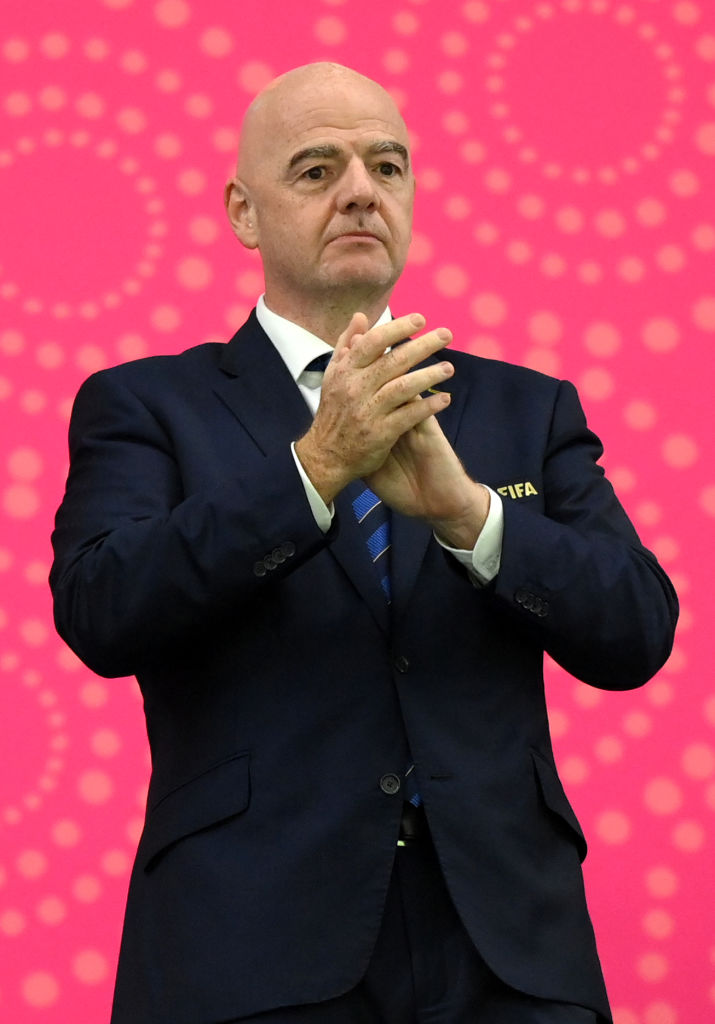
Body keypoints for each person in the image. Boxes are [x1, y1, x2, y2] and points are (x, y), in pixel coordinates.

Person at [50, 63, 678, 1024]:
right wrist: (313, 470)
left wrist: (471, 518)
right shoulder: (146, 404)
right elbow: (102, 607)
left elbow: (635, 629)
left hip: (508, 950)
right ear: (243, 212)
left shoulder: (526, 407)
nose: (359, 191)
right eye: (316, 170)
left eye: (386, 167)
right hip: (248, 946)